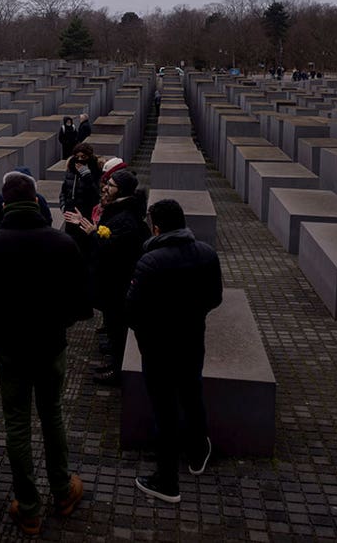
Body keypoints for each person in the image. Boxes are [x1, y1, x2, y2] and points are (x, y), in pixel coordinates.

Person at [0, 171, 86, 535]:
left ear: (4, 205)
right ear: (36, 201)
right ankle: (63, 490)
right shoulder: (63, 244)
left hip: (10, 349)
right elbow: (80, 305)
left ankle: (29, 507)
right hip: (51, 346)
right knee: (52, 416)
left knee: (16, 423)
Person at [127, 199, 223, 504]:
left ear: (156, 228)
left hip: (157, 347)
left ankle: (167, 482)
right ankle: (198, 452)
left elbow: (132, 309)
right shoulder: (207, 253)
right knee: (192, 394)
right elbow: (215, 298)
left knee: (164, 411)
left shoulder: (150, 262)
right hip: (193, 339)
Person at [68, 168, 149, 386]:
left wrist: (93, 234)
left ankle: (118, 370)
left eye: (111, 185)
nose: (105, 187)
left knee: (118, 328)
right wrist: (92, 230)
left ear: (121, 190)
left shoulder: (126, 218)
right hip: (111, 283)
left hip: (118, 284)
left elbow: (115, 250)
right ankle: (114, 362)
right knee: (113, 327)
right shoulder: (118, 210)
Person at [59, 142, 100, 222]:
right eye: (77, 157)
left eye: (83, 157)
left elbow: (96, 193)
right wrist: (63, 206)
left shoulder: (95, 171)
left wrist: (87, 176)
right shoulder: (71, 171)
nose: (80, 159)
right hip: (70, 214)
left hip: (88, 215)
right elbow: (64, 191)